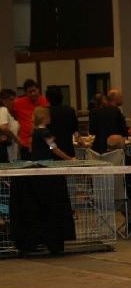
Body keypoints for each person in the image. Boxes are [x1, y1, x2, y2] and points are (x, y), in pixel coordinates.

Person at [10, 106, 76, 254]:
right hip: (48, 169)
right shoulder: (46, 133)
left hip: (36, 169)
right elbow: (54, 149)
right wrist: (69, 159)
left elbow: (31, 150)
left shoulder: (33, 132)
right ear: (46, 118)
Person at [13, 79, 49, 160]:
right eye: (30, 92)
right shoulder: (18, 103)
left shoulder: (45, 101)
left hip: (41, 144)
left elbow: (53, 147)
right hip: (25, 143)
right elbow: (53, 147)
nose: (33, 94)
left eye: (34, 90)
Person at [89, 89, 128, 154]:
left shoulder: (94, 112)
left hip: (98, 147)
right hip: (114, 147)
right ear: (115, 98)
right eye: (121, 97)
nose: (122, 99)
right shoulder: (116, 111)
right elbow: (124, 131)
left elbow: (92, 131)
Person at [45, 86, 79, 158]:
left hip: (51, 150)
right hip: (68, 148)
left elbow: (46, 135)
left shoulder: (46, 112)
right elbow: (75, 130)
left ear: (47, 98)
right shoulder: (70, 110)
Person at [0, 88, 21, 163]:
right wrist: (16, 139)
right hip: (6, 149)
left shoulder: (9, 112)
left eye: (14, 99)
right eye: (11, 99)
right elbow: (3, 127)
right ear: (3, 100)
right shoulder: (3, 109)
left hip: (11, 149)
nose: (14, 102)